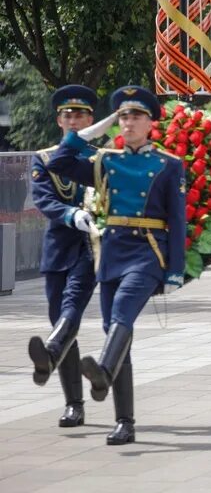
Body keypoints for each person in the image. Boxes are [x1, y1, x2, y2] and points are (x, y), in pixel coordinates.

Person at [46, 86, 185, 445]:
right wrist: (87, 134)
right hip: (112, 252)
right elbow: (59, 164)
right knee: (114, 330)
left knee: (122, 313)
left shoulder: (168, 164)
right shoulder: (106, 159)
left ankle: (104, 370)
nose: (128, 122)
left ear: (150, 122)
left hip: (148, 251)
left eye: (136, 116)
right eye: (123, 116)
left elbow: (178, 219)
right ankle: (125, 421)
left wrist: (175, 270)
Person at [27, 85, 98, 428]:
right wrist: (71, 215)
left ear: (90, 119)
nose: (73, 120)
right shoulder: (43, 157)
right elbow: (44, 199)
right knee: (59, 317)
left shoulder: (101, 156)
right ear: (58, 120)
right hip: (58, 247)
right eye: (67, 115)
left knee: (71, 308)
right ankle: (73, 403)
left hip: (90, 248)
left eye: (80, 115)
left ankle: (51, 355)